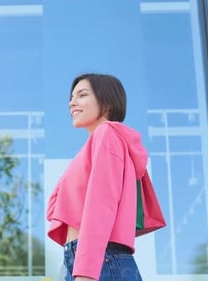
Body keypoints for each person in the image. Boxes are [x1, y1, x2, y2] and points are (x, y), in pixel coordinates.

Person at [46, 73, 147, 281]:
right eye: (71, 97)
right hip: (89, 260)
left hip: (99, 262)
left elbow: (101, 204)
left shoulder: (106, 134)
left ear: (107, 104)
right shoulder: (94, 145)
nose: (72, 103)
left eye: (82, 95)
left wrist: (86, 272)